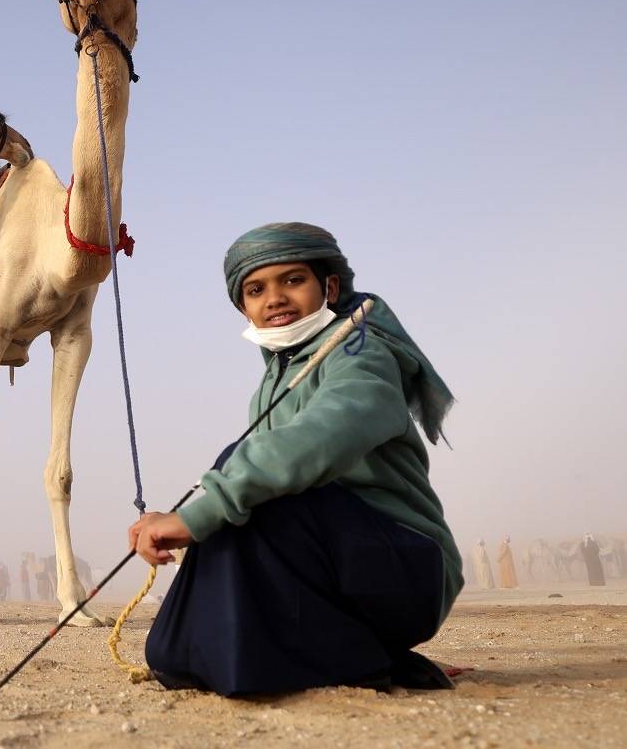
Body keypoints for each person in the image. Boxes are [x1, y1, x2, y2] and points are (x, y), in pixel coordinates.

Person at [130, 222, 462, 695]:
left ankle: (366, 658)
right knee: (172, 656)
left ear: (328, 287)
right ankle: (358, 653)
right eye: (256, 289)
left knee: (250, 485)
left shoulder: (363, 354)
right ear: (243, 306)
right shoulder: (271, 385)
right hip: (320, 555)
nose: (275, 299)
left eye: (292, 280)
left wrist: (198, 513)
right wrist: (185, 517)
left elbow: (321, 436)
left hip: (405, 565)